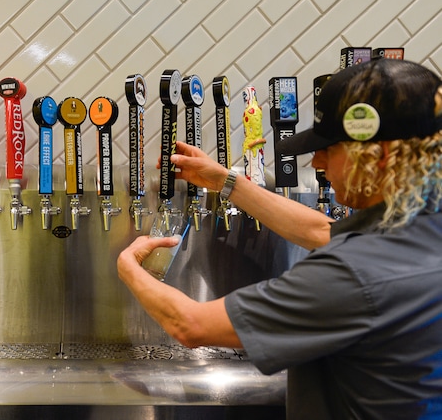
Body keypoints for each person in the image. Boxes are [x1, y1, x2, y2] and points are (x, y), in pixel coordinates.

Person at [117, 58, 442, 419]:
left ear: (378, 157)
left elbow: (190, 324)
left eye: (329, 149)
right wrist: (225, 182)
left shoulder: (350, 275)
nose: (317, 163)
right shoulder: (423, 229)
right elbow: (321, 231)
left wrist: (129, 267)